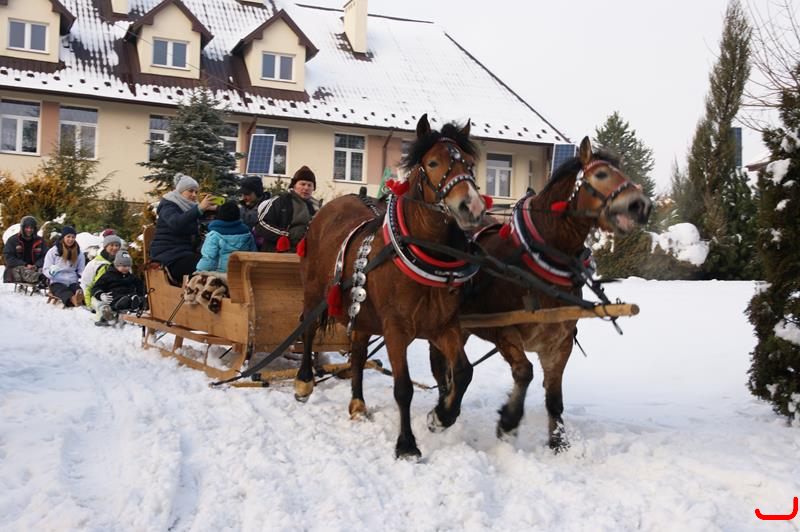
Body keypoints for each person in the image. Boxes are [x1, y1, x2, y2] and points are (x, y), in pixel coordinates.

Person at [149, 173, 218, 284]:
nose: (194, 195)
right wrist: (199, 209)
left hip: (184, 254)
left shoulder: (189, 207)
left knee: (213, 262)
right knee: (206, 265)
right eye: (190, 191)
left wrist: (215, 210)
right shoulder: (168, 205)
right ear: (180, 191)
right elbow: (176, 223)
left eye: (196, 192)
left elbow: (196, 219)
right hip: (168, 257)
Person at [255, 165, 319, 252]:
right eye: (302, 184)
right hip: (277, 253)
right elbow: (261, 224)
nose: (306, 188)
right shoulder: (280, 201)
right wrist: (286, 235)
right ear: (294, 185)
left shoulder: (315, 208)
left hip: (304, 254)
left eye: (309, 185)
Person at [196, 200, 257, 273]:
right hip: (241, 272)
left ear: (220, 215)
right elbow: (253, 254)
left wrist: (199, 272)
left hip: (220, 274)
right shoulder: (247, 233)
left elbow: (208, 258)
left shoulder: (214, 235)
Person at [91, 251, 145, 326]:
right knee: (120, 300)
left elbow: (140, 284)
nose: (126, 268)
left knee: (134, 297)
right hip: (114, 298)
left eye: (128, 266)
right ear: (116, 265)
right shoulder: (108, 275)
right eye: (124, 266)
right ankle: (108, 315)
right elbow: (96, 287)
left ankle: (135, 302)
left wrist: (141, 295)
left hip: (129, 295)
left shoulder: (131, 277)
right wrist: (101, 295)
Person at [42, 226, 86, 307]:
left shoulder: (79, 253)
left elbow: (81, 269)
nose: (71, 239)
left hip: (72, 280)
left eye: (73, 237)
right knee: (63, 291)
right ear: (63, 237)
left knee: (77, 289)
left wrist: (81, 275)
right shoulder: (53, 251)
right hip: (57, 280)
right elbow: (45, 268)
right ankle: (73, 299)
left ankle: (79, 297)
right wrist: (51, 272)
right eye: (68, 236)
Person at [3, 215, 48, 285]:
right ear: (22, 228)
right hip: (16, 270)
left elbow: (46, 256)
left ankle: (46, 279)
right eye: (27, 227)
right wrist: (25, 265)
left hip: (35, 268)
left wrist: (36, 265)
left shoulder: (40, 241)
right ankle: (41, 279)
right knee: (23, 270)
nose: (29, 230)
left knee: (45, 270)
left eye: (31, 228)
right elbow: (8, 258)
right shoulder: (12, 240)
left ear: (35, 229)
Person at [80, 232, 122, 306]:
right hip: (98, 297)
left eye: (117, 245)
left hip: (117, 297)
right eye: (112, 245)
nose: (115, 248)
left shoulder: (123, 263)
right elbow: (86, 285)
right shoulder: (95, 264)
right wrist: (89, 304)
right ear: (105, 247)